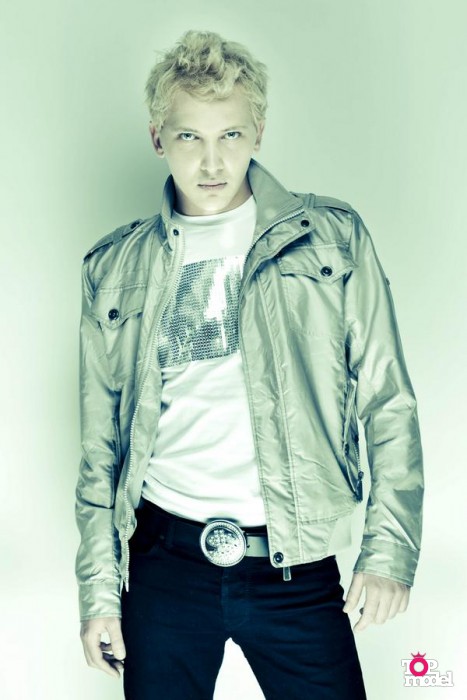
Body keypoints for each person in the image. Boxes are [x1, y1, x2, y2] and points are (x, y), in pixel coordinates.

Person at [76, 30, 424, 699]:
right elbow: (100, 448)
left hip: (295, 564)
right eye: (189, 136)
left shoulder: (330, 239)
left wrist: (388, 549)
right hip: (162, 566)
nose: (211, 161)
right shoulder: (114, 267)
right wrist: (97, 591)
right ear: (157, 138)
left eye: (230, 135)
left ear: (257, 133)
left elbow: (388, 402)